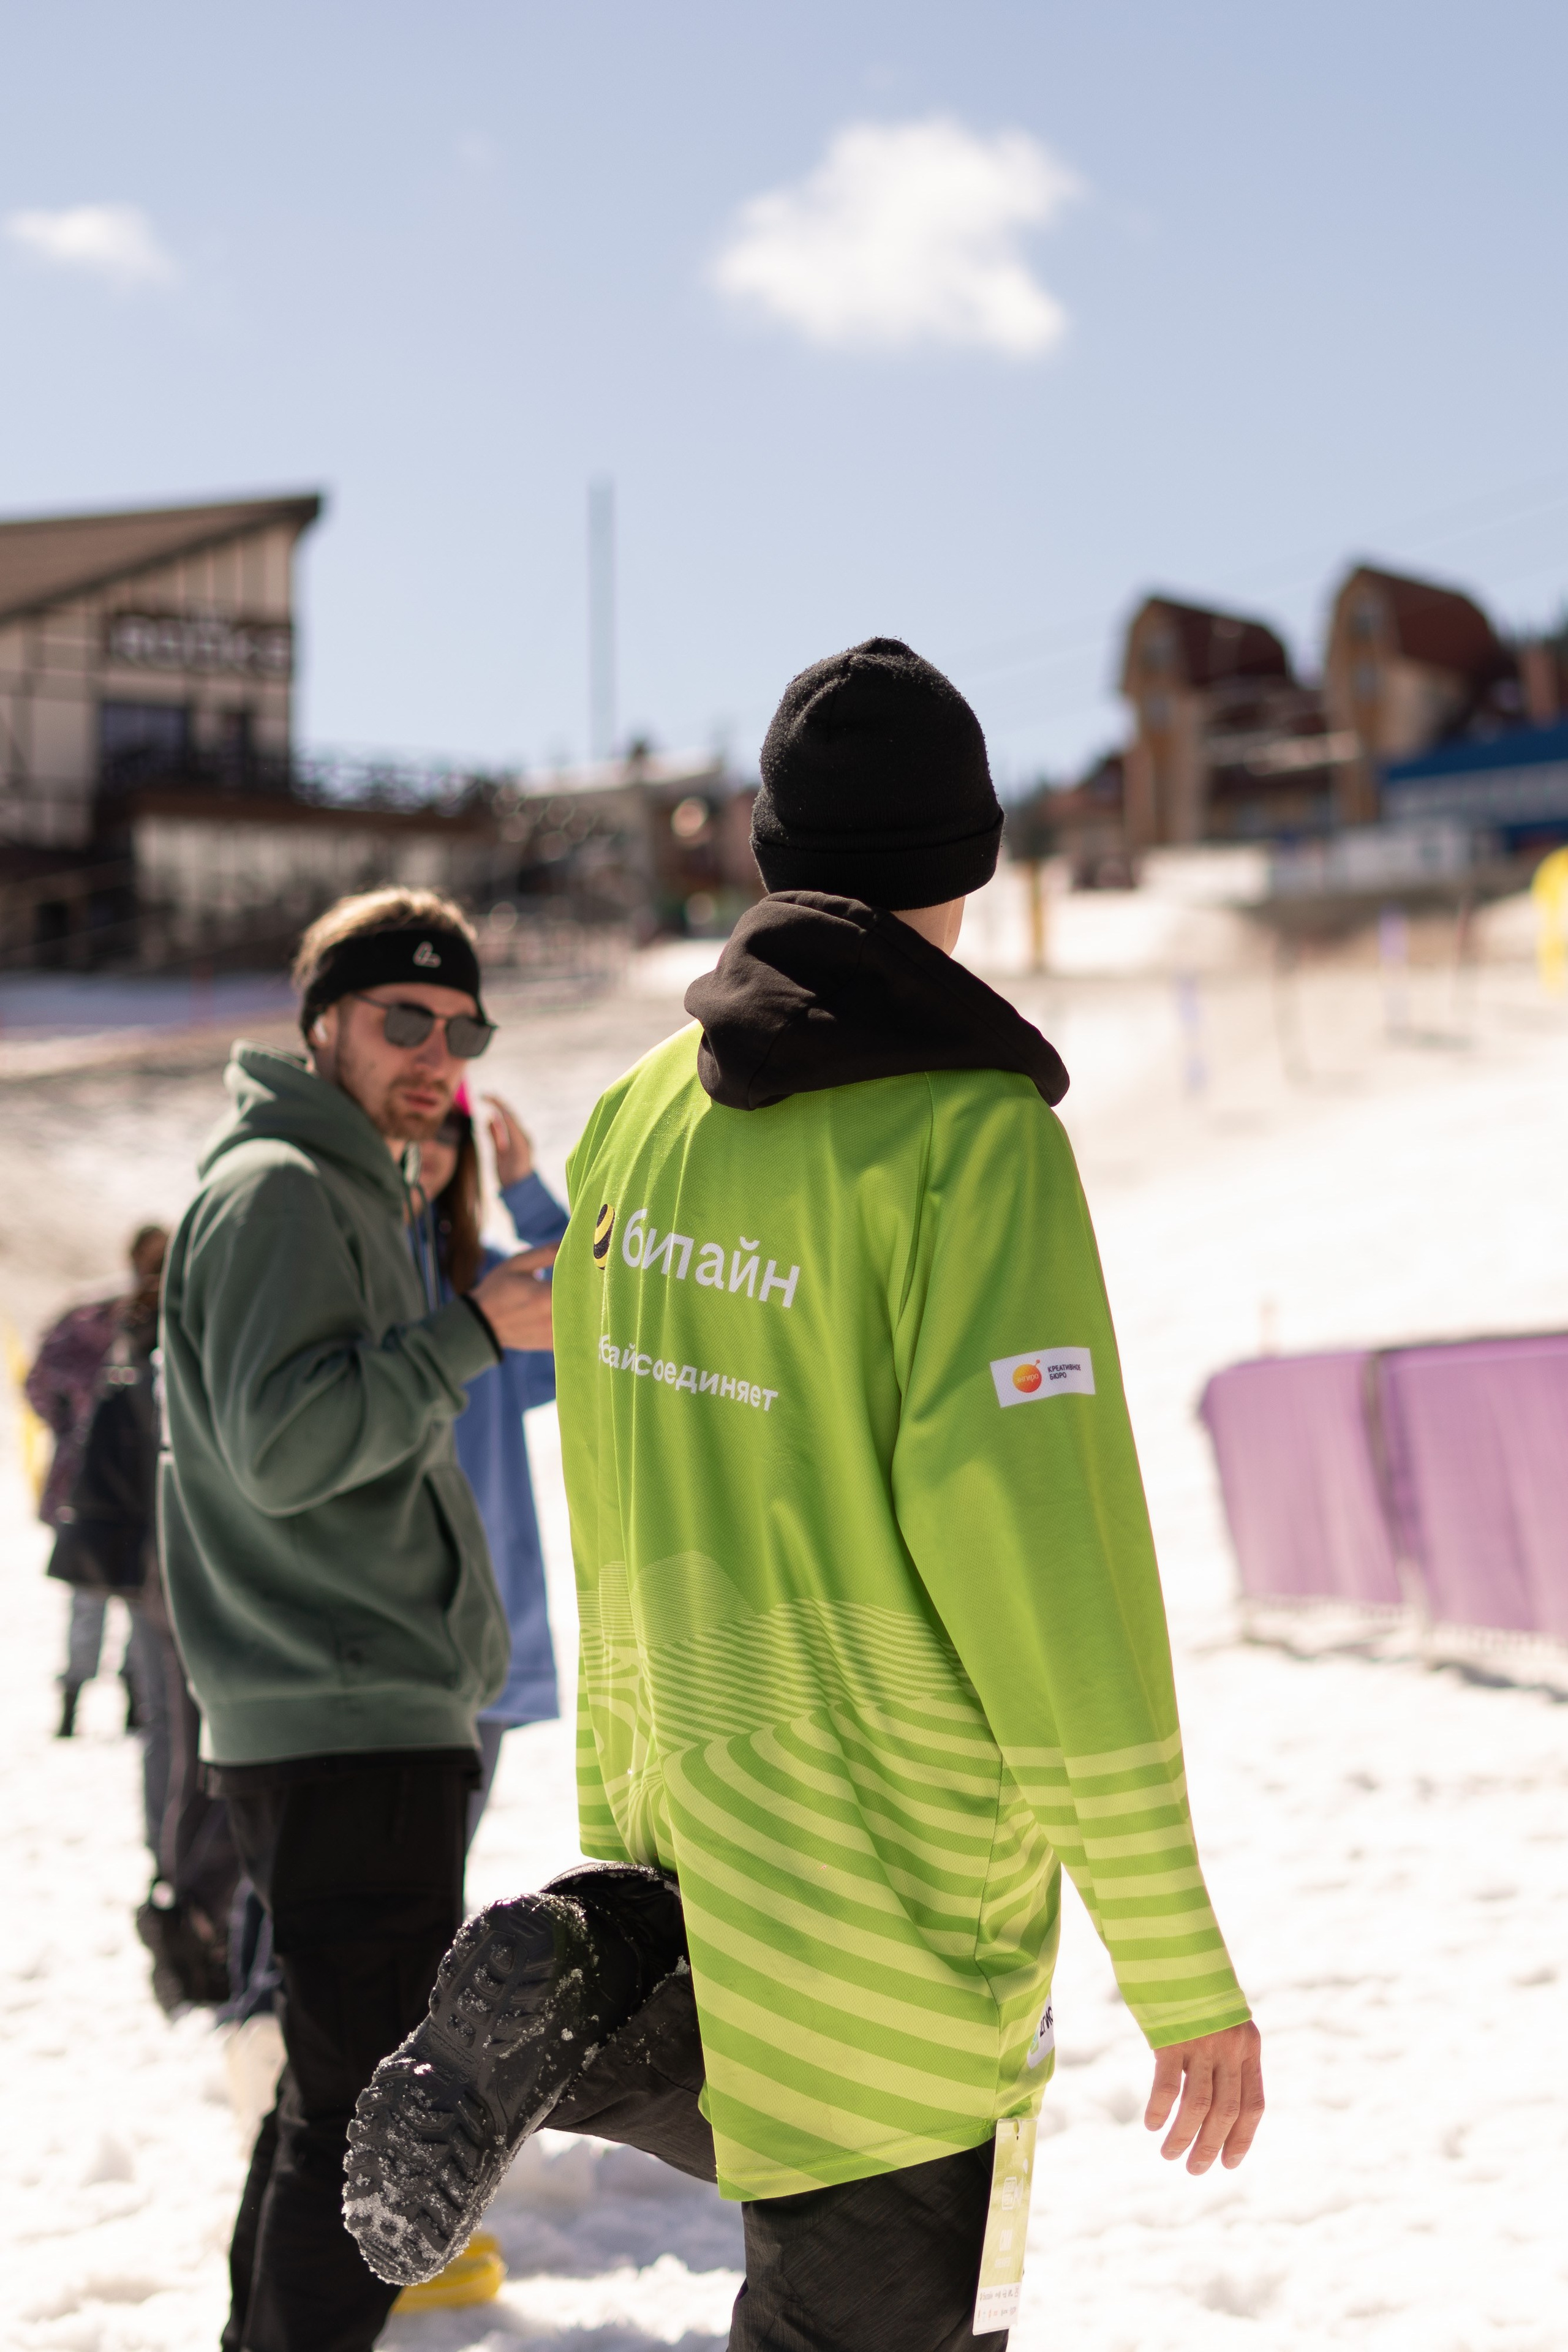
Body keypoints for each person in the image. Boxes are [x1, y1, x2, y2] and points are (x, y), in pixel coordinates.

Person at [346, 640, 1265, 2347]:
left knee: (785, 2189)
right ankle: (613, 1980)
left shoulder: (634, 1121)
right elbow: (1045, 1568)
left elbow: (615, 1477)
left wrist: (632, 1859)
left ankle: (611, 1974)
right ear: (970, 867)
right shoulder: (969, 1146)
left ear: (769, 853)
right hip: (900, 1916)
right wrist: (1177, 1958)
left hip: (706, 1840)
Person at [157, 884, 555, 2352]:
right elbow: (279, 1444)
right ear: (322, 1018)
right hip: (341, 1715)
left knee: (331, 2105)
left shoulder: (355, 1185)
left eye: (462, 1026)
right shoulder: (282, 1189)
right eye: (405, 1016)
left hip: (363, 1709)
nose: (436, 1049)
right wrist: (469, 1330)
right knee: (359, 2132)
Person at [407, 1085, 567, 1839]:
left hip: (484, 1628)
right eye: (410, 1123)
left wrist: (526, 1192)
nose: (427, 1145)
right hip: (376, 1637)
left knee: (434, 1886)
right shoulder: (330, 1272)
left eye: (447, 1129)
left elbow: (602, 1308)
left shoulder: (489, 1282)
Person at [28, 1225, 167, 1739]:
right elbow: (41, 1387)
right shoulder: (98, 1319)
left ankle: (132, 1697)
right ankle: (82, 1697)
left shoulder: (132, 1318)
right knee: (99, 1596)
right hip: (101, 1485)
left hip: (125, 1486)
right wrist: (77, 1430)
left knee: (125, 1598)